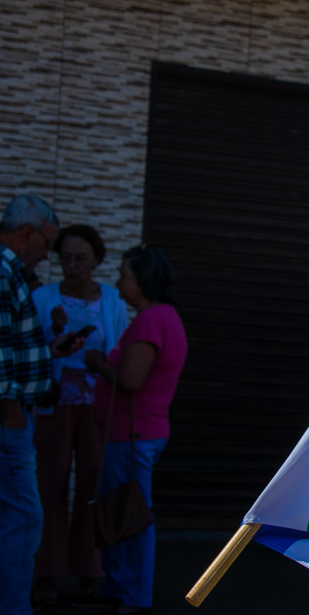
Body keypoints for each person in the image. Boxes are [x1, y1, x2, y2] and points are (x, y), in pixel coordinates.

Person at [84, 245, 187, 615]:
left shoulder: (151, 320)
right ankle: (121, 586)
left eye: (125, 274)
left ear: (143, 280)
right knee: (125, 509)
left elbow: (130, 380)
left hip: (133, 434)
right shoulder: (163, 317)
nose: (118, 281)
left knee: (133, 514)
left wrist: (97, 362)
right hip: (136, 433)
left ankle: (135, 595)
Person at [30, 225, 128, 606]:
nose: (73, 266)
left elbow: (118, 348)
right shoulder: (43, 298)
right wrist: (51, 330)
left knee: (92, 486)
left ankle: (91, 571)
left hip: (96, 404)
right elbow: (32, 349)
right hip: (53, 403)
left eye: (81, 258)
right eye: (66, 258)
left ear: (97, 259)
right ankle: (46, 573)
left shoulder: (112, 300)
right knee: (49, 485)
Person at [1, 194, 85, 615]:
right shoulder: (4, 270)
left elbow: (11, 347)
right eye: (47, 244)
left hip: (15, 413)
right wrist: (12, 413)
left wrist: (48, 351)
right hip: (10, 419)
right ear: (27, 232)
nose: (48, 255)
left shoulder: (12, 272)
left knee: (19, 519)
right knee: (23, 519)